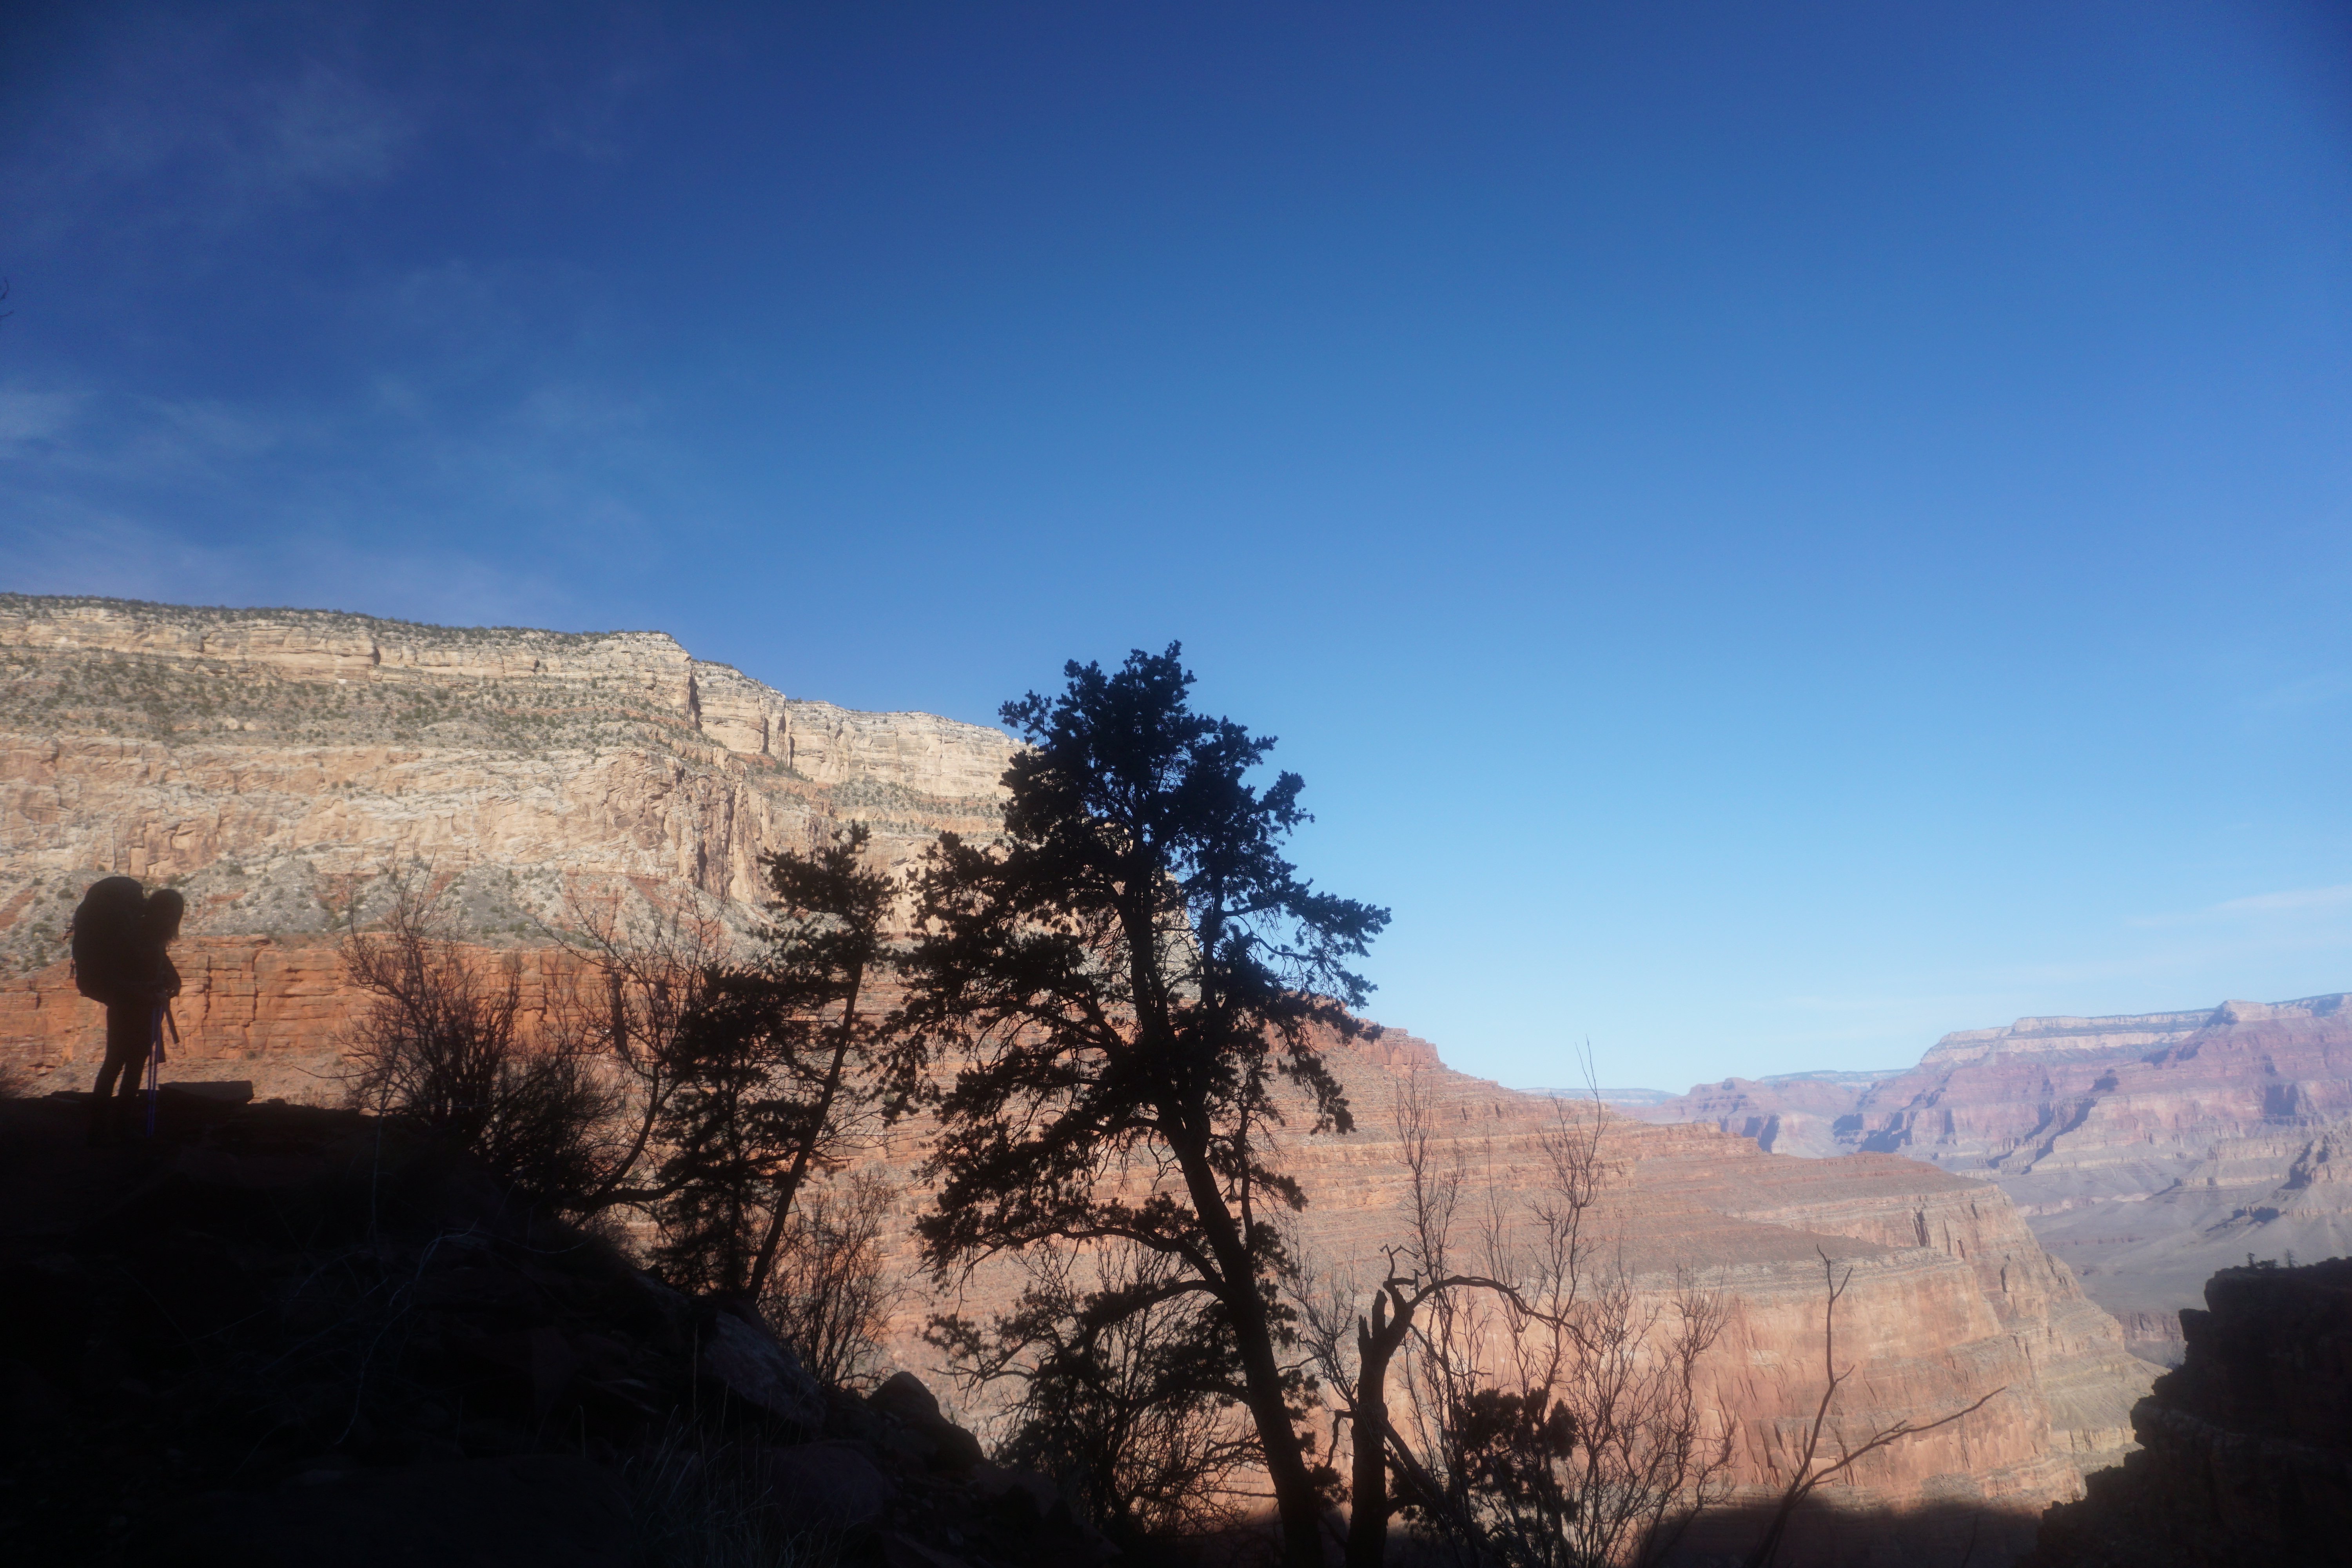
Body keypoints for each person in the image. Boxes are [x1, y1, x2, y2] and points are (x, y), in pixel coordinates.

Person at [86, 887, 183, 1143]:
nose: (172, 919)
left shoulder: (153, 939)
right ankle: (100, 1130)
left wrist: (170, 986)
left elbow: (169, 974)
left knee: (132, 1068)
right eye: (170, 913)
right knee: (115, 1065)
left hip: (145, 1011)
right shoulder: (135, 937)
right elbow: (117, 979)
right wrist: (147, 993)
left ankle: (116, 1128)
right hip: (127, 1010)